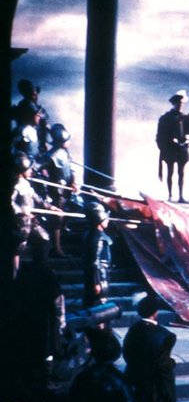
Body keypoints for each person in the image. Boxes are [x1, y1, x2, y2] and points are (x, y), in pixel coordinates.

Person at [122, 294, 177, 402]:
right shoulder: (165, 335)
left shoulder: (133, 329)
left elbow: (127, 353)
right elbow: (163, 365)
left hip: (134, 378)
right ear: (155, 313)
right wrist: (172, 363)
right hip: (154, 385)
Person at [8, 233, 66, 392]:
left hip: (29, 315)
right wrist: (61, 321)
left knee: (33, 346)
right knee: (47, 348)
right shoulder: (48, 274)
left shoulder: (25, 271)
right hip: (45, 319)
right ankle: (45, 380)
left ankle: (30, 378)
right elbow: (57, 299)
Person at [11, 153, 56, 277]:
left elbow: (37, 198)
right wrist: (20, 210)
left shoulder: (26, 183)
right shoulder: (15, 185)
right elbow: (10, 203)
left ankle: (38, 269)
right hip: (20, 223)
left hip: (31, 221)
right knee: (17, 249)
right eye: (28, 169)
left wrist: (50, 207)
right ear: (22, 170)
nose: (31, 171)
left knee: (44, 239)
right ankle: (14, 276)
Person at [39, 123, 78, 257]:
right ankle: (56, 247)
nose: (69, 142)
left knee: (70, 210)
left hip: (67, 189)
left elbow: (71, 168)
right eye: (67, 140)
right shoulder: (51, 155)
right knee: (57, 218)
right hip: (57, 190)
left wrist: (74, 182)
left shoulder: (66, 153)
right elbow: (38, 166)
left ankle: (62, 232)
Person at [156, 89, 189, 203]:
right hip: (170, 149)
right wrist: (166, 145)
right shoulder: (166, 118)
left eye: (181, 103)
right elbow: (160, 135)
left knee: (181, 173)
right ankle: (170, 195)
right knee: (170, 171)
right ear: (174, 104)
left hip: (181, 148)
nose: (179, 105)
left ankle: (181, 196)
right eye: (178, 103)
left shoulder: (186, 118)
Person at [82, 201, 112, 308]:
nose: (108, 221)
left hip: (102, 274)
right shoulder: (96, 237)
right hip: (99, 276)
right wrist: (96, 282)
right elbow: (94, 261)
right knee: (98, 305)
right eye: (105, 219)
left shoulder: (93, 234)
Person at [12, 79, 50, 158]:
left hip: (38, 142)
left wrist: (44, 142)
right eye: (32, 93)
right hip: (27, 143)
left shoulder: (38, 108)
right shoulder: (25, 106)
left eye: (35, 93)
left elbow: (44, 123)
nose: (35, 96)